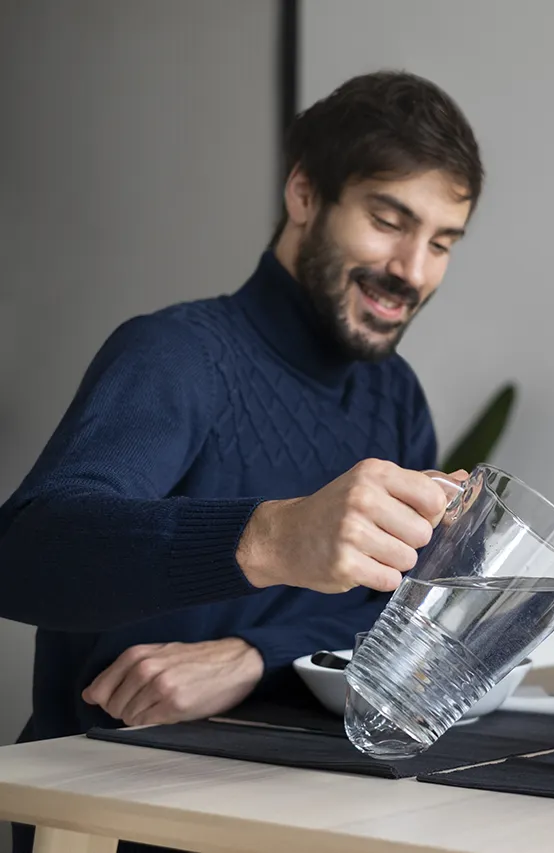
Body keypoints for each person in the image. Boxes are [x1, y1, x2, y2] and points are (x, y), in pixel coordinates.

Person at [0, 69, 483, 851]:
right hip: (114, 815)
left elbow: (397, 613)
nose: (413, 271)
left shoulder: (394, 395)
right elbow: (25, 553)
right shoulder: (176, 354)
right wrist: (270, 538)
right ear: (303, 194)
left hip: (300, 811)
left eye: (441, 243)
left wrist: (254, 656)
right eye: (389, 220)